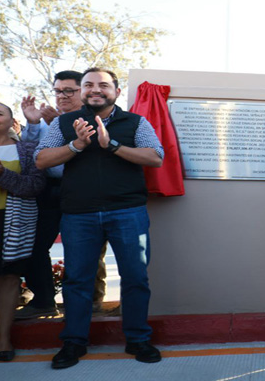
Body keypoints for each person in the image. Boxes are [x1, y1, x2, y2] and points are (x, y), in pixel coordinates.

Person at [35, 68, 164, 369]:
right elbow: (41, 159)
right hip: (79, 214)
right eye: (88, 85)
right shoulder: (64, 122)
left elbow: (155, 157)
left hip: (128, 212)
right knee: (77, 280)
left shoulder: (135, 122)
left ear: (116, 92)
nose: (96, 90)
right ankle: (74, 342)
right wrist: (77, 145)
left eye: (103, 85)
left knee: (135, 277)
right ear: (81, 91)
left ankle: (137, 339)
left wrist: (112, 145)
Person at [16, 70, 110, 320]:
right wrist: (34, 124)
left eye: (69, 90)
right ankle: (44, 300)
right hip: (48, 190)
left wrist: (65, 124)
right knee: (35, 246)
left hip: (84, 191)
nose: (62, 96)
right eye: (58, 90)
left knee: (87, 249)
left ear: (85, 92)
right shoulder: (49, 120)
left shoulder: (99, 118)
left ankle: (90, 303)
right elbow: (33, 156)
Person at [0, 102, 45, 361]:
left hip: (13, 222)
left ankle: (3, 340)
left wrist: (3, 175)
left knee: (9, 278)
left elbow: (35, 185)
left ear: (12, 121)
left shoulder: (27, 149)